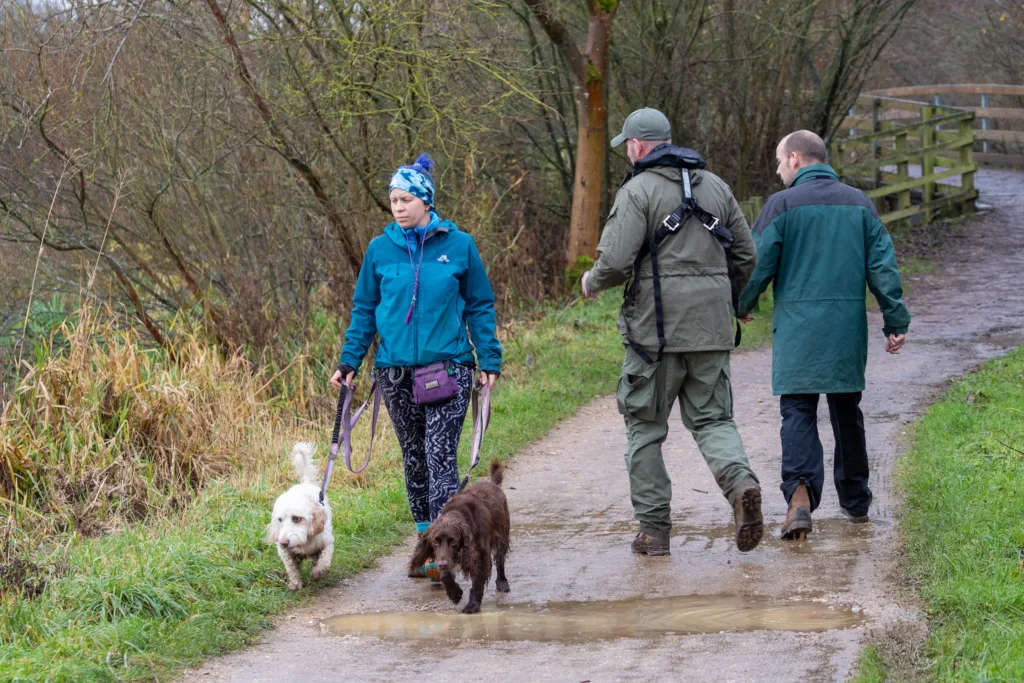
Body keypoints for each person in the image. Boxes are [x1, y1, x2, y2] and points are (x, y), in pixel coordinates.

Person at [581, 108, 764, 556]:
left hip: (653, 338)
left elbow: (617, 261)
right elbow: (747, 254)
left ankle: (654, 531)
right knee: (714, 420)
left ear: (640, 146)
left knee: (644, 428)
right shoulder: (716, 186)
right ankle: (741, 486)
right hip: (711, 331)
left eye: (628, 143)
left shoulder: (637, 191)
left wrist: (591, 281)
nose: (627, 149)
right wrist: (735, 302)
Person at [330, 153, 502, 575]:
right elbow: (365, 309)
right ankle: (431, 545)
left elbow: (480, 305)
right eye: (393, 200)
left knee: (440, 455)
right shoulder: (379, 249)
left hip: (448, 367)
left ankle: (453, 546)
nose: (399, 207)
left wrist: (489, 358)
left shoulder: (458, 245)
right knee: (415, 458)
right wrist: (350, 359)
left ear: (426, 200)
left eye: (406, 198)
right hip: (395, 371)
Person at [737, 130, 910, 540]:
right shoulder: (860, 204)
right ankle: (856, 501)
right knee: (846, 411)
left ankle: (799, 499)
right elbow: (883, 267)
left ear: (796, 159)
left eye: (780, 162)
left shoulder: (780, 205)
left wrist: (742, 304)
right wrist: (895, 320)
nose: (779, 170)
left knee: (797, 411)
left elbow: (756, 264)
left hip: (797, 331)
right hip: (845, 329)